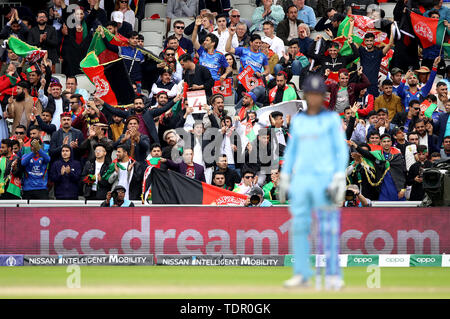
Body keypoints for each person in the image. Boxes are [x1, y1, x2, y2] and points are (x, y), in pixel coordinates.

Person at [279, 75, 348, 290]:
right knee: (299, 226)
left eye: (319, 94)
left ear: (323, 96)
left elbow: (341, 149)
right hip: (302, 180)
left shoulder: (332, 120)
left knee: (328, 227)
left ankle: (333, 275)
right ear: (306, 95)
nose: (315, 98)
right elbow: (292, 151)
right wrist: (285, 175)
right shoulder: (298, 120)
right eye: (311, 94)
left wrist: (339, 175)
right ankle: (301, 274)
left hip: (325, 180)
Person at [355, 30, 394, 98]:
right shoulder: (362, 51)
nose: (369, 43)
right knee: (361, 107)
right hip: (362, 85)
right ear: (364, 41)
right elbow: (350, 39)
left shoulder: (378, 53)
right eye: (367, 41)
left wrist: (393, 29)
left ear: (374, 41)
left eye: (371, 41)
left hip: (373, 86)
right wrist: (352, 24)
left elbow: (390, 44)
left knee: (373, 107)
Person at [192, 18, 232, 82]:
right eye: (205, 40)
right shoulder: (201, 51)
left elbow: (229, 68)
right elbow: (194, 40)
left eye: (207, 40)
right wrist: (196, 26)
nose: (204, 42)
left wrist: (225, 74)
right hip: (202, 81)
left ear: (213, 43)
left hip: (214, 82)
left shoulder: (220, 55)